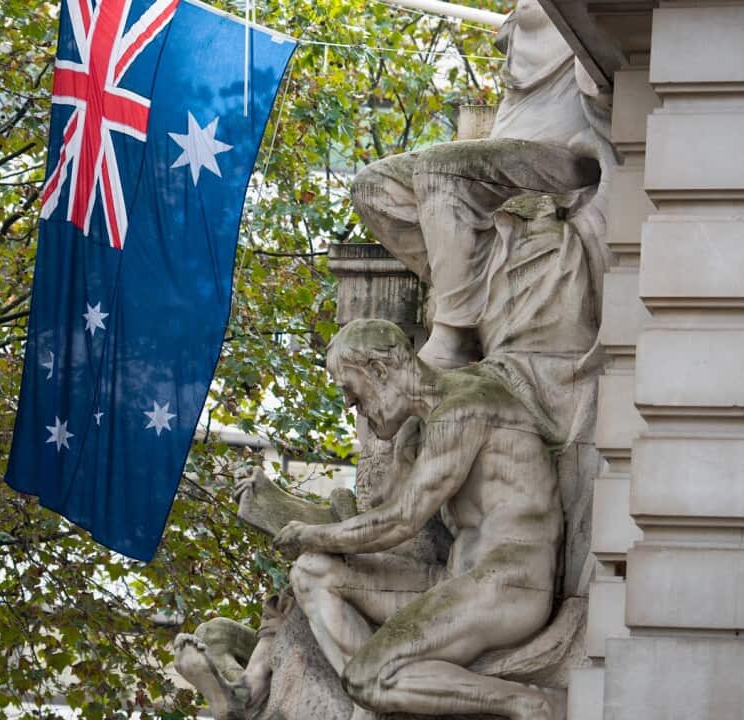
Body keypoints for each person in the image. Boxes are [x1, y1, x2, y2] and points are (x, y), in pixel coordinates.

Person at [274, 319, 564, 719]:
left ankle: (530, 704)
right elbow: (389, 513)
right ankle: (380, 703)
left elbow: (399, 522)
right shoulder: (430, 424)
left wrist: (312, 532)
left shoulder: (463, 409)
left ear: (378, 371)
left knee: (365, 677)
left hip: (509, 585)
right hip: (456, 580)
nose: (350, 406)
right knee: (311, 572)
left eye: (350, 391)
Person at [351, 0, 614, 369]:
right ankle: (469, 286)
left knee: (439, 172)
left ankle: (455, 334)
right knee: (373, 187)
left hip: (560, 158)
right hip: (501, 157)